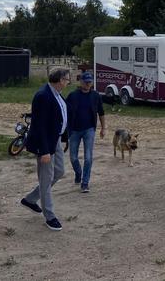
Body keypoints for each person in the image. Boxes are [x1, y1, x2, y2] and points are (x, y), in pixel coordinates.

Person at [21, 68, 70, 231]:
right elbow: (39, 125)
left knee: (59, 171)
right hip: (45, 143)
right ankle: (50, 216)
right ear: (60, 80)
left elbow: (59, 116)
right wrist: (44, 151)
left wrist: (63, 137)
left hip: (54, 139)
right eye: (67, 79)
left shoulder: (56, 94)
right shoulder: (43, 96)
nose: (68, 82)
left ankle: (30, 199)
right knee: (46, 178)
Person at [66, 71, 105, 193]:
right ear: (81, 82)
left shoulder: (96, 96)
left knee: (88, 157)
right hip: (74, 130)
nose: (88, 84)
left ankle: (85, 183)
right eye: (86, 82)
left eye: (90, 82)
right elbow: (65, 112)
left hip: (89, 129)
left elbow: (101, 113)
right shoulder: (73, 96)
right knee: (73, 157)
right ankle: (78, 173)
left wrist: (103, 128)